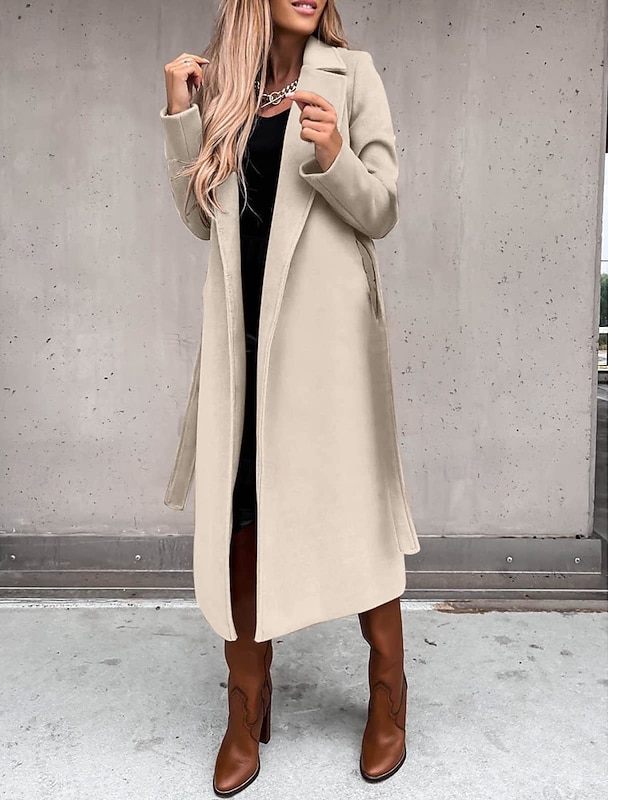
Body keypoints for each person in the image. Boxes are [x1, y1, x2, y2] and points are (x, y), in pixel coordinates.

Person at [161, 1, 417, 795]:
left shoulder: (353, 73)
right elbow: (200, 219)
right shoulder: (227, 89)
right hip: (242, 336)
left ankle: (388, 692)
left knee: (354, 509)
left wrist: (334, 154)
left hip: (327, 342)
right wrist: (182, 115)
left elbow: (382, 209)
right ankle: (245, 706)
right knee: (242, 512)